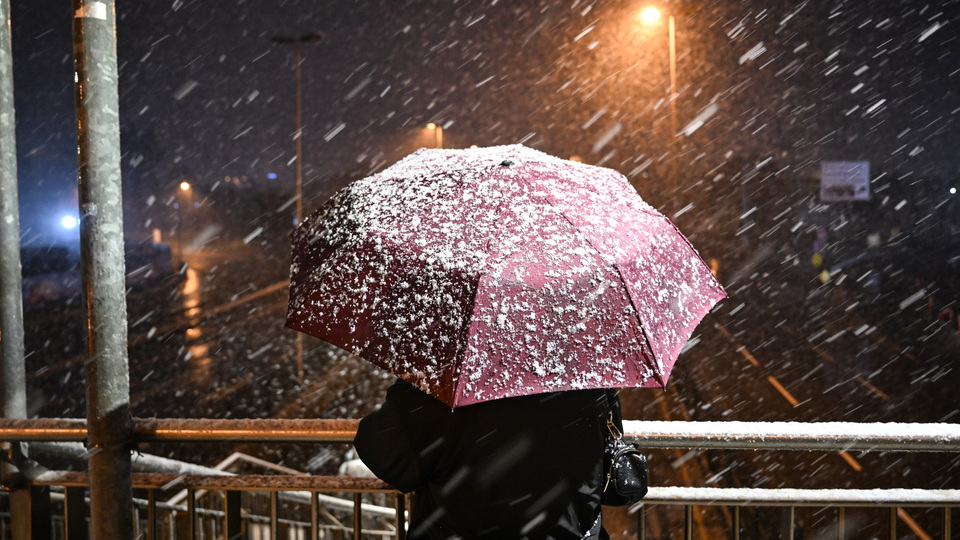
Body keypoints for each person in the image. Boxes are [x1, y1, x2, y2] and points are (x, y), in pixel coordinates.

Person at [353, 378, 622, 539]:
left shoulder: (440, 383)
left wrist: (405, 389)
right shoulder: (585, 380)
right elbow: (607, 459)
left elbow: (385, 455)